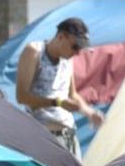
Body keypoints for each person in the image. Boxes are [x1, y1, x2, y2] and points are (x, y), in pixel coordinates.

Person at [14, 17, 104, 157]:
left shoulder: (68, 60)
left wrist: (90, 113)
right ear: (61, 36)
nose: (77, 52)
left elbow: (72, 95)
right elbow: (21, 96)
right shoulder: (34, 51)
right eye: (75, 47)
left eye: (80, 48)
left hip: (68, 135)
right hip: (43, 137)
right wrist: (57, 103)